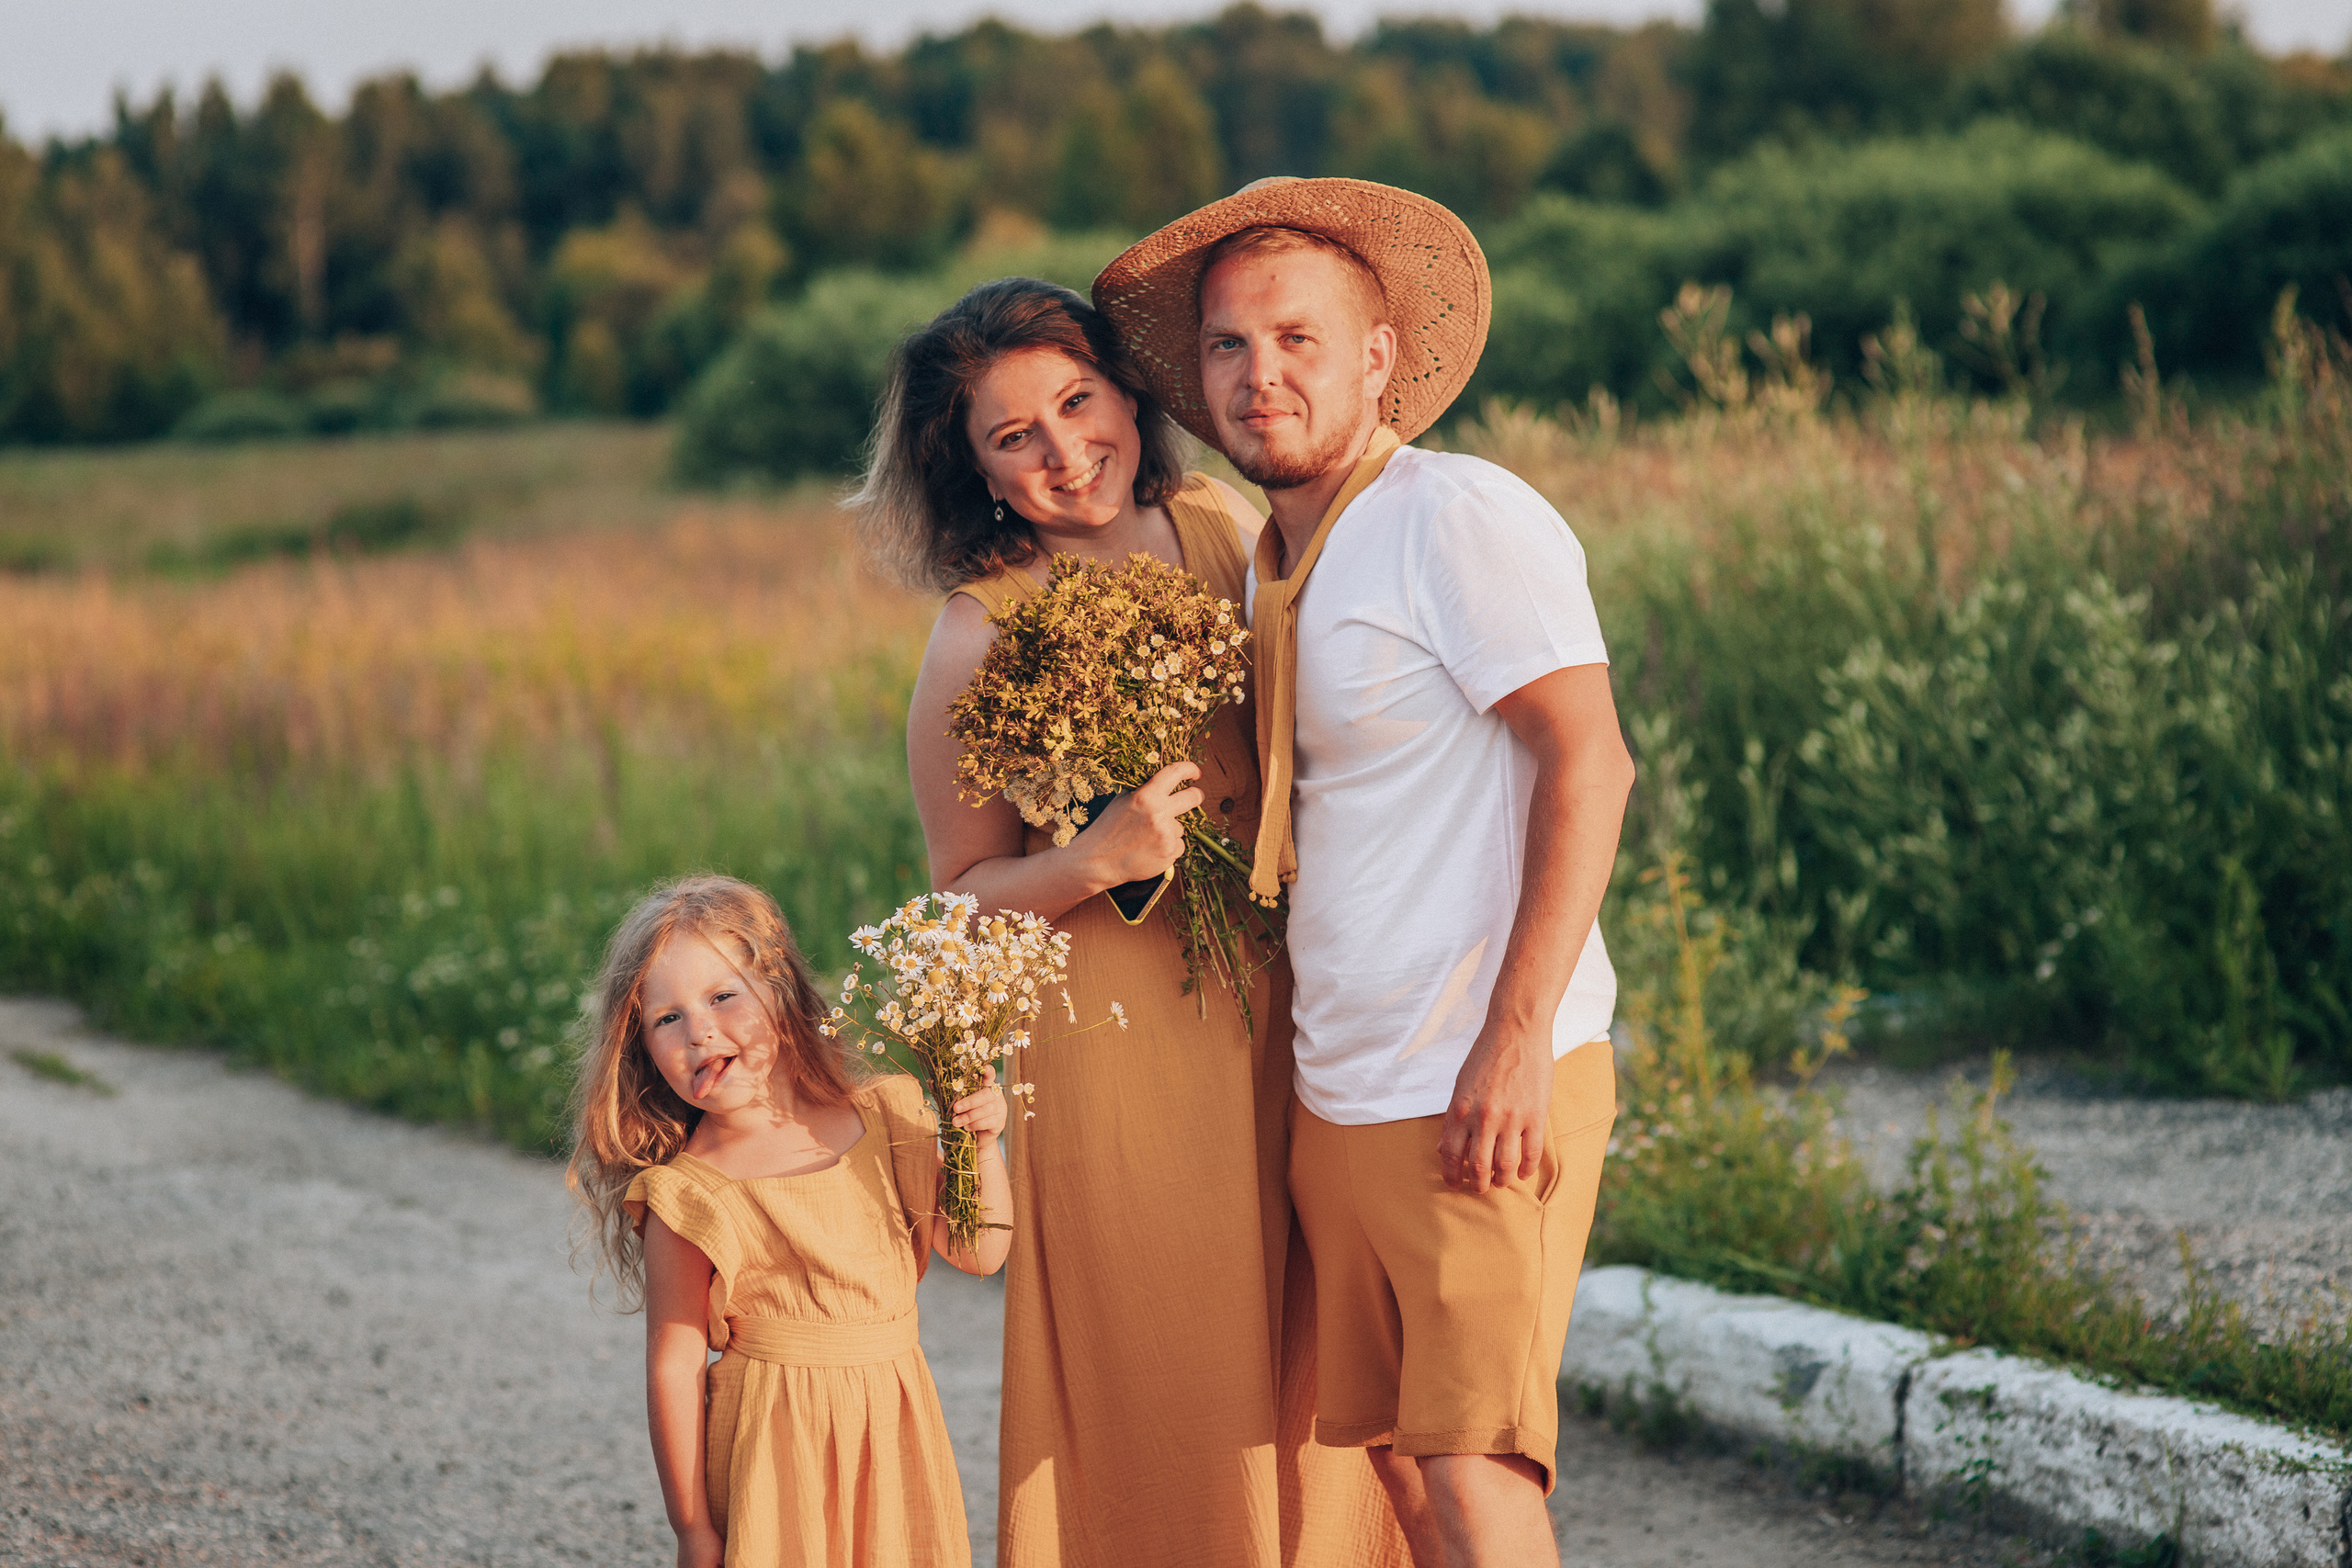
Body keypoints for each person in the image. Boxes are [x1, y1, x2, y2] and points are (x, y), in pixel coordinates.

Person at [1094, 180, 1636, 1568]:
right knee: (1400, 1472)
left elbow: (1592, 763)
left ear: (1380, 356)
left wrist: (1514, 1043)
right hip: (1346, 1086)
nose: (1260, 373)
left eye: (1297, 337)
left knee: (1473, 1467)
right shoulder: (1277, 555)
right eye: (1228, 346)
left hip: (1480, 1073)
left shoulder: (1455, 515)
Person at [857, 276, 1406, 1568]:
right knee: (1172, 1363)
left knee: (1323, 1352)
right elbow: (961, 900)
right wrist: (1097, 859)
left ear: (1125, 392)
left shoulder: (1222, 522)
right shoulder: (974, 633)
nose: (1064, 450)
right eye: (1015, 437)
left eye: (1077, 401)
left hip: (1285, 1002)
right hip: (1117, 1049)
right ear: (973, 470)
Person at [566, 874, 1008, 1568]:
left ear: (779, 990)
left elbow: (980, 1252)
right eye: (667, 1018)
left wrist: (982, 1145)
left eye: (721, 996)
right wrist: (693, 1530)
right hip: (775, 1452)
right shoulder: (688, 1195)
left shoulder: (887, 1115)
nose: (700, 1029)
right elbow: (674, 1368)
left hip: (893, 1435)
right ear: (642, 1049)